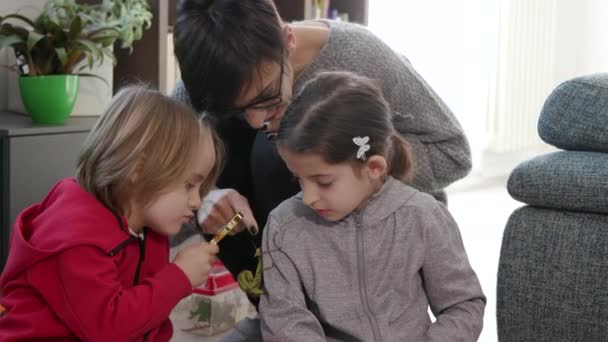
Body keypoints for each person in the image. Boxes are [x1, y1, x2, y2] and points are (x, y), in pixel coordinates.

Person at [172, 0, 472, 301]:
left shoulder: (360, 57)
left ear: (288, 40)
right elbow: (154, 174)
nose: (256, 119)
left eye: (266, 98)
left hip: (375, 257)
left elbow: (452, 154)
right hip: (269, 271)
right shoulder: (210, 76)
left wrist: (361, 165)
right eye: (237, 109)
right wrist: (203, 194)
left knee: (281, 145)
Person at [259, 71, 485, 340]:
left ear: (374, 167)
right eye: (299, 179)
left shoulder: (423, 217)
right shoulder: (284, 227)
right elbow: (283, 320)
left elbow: (462, 305)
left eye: (323, 181)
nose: (308, 197)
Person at [0, 85, 223, 341]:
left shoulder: (148, 228)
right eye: (189, 185)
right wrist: (178, 277)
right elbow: (109, 328)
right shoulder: (76, 239)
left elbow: (148, 320)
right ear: (138, 169)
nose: (196, 201)